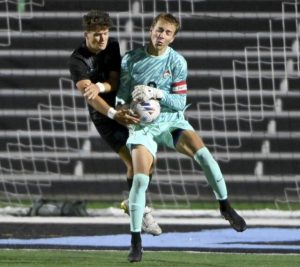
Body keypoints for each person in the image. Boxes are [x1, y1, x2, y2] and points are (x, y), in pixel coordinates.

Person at [116, 13, 247, 262]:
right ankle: (135, 241)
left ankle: (225, 207)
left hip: (170, 120)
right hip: (143, 127)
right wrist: (123, 109)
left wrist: (155, 93)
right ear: (150, 29)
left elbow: (180, 102)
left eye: (167, 32)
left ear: (173, 37)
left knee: (206, 157)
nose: (161, 36)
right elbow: (121, 95)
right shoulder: (131, 59)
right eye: (158, 30)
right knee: (140, 179)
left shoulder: (177, 62)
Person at [68, 10, 162, 236]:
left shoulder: (111, 46)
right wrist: (112, 113)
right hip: (105, 117)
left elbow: (113, 81)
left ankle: (132, 204)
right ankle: (139, 210)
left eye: (105, 33)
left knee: (149, 162)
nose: (102, 39)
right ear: (86, 34)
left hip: (125, 107)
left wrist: (100, 87)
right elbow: (90, 97)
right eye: (97, 35)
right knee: (133, 163)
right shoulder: (77, 60)